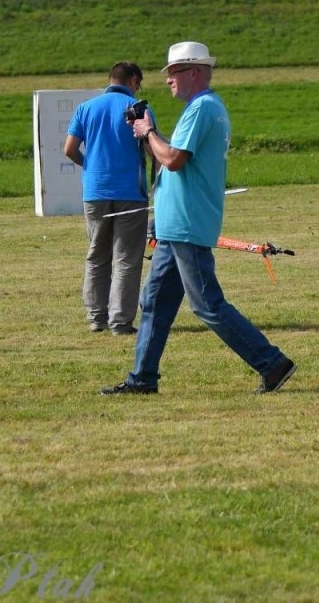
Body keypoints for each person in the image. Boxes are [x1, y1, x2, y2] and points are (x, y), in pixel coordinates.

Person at [102, 42, 296, 394]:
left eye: (173, 73)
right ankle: (142, 379)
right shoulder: (206, 107)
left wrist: (148, 132)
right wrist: (147, 135)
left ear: (193, 72)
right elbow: (170, 156)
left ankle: (272, 363)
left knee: (207, 304)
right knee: (155, 303)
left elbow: (174, 160)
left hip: (186, 224)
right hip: (175, 225)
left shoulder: (201, 108)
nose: (168, 80)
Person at [63, 61, 150, 335]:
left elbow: (69, 149)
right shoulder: (138, 108)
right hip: (131, 193)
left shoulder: (86, 108)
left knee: (96, 256)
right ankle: (120, 321)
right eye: (138, 84)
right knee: (127, 258)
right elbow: (152, 148)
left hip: (95, 192)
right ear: (132, 80)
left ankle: (96, 317)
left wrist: (89, 166)